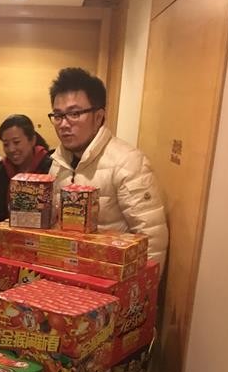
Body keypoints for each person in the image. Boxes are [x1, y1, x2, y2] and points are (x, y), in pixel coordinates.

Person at [48, 67, 168, 270]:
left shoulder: (128, 163)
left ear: (98, 117)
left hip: (109, 278)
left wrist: (136, 287)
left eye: (74, 114)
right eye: (58, 115)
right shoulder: (58, 162)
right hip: (66, 274)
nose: (63, 124)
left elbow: (151, 241)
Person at [0, 114, 53, 225]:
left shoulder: (50, 168)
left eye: (16, 142)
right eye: (6, 144)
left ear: (32, 140)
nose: (11, 149)